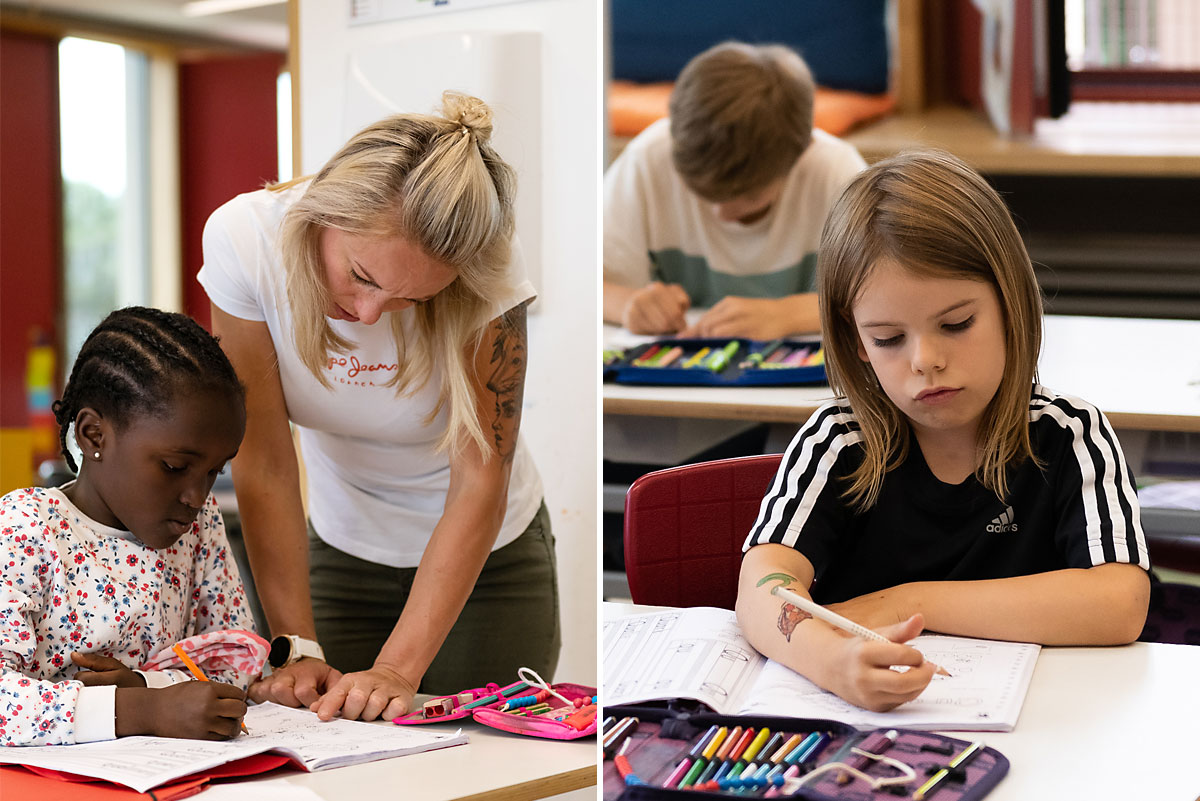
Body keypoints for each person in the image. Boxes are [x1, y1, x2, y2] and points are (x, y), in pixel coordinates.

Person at [737, 151, 1151, 713]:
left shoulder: (1068, 433)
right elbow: (762, 587)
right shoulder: (838, 441)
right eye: (887, 339)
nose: (925, 361)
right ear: (856, 342)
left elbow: (1120, 602)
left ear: (1011, 305)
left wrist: (909, 601)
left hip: (1043, 723)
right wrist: (831, 664)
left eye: (956, 325)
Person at [199, 91, 558, 723]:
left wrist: (397, 669)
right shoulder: (245, 240)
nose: (368, 315)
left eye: (409, 300)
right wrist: (297, 647)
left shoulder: (490, 262)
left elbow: (481, 475)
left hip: (488, 560)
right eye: (363, 276)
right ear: (326, 215)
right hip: (342, 548)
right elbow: (266, 464)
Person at [0, 307, 252, 746]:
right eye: (174, 466)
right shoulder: (25, 528)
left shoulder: (197, 526)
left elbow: (235, 661)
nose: (196, 496)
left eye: (215, 471)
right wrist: (142, 710)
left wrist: (143, 685)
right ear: (94, 435)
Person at [603, 41, 867, 339]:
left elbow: (882, 298)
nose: (722, 214)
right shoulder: (647, 159)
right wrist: (628, 305)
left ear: (801, 154)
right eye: (701, 191)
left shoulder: (835, 172)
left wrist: (786, 315)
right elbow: (583, 282)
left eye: (750, 196)